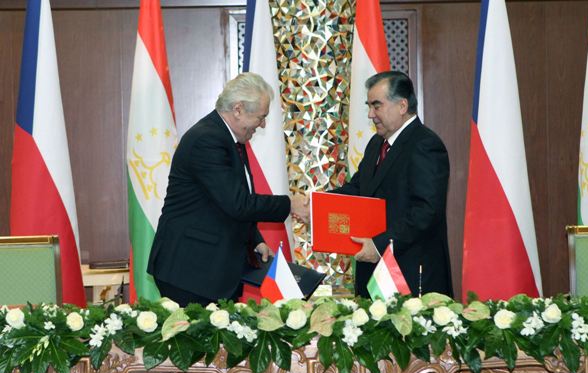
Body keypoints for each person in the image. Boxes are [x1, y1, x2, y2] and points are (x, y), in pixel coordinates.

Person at [148, 72, 309, 306]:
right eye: (261, 117)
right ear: (238, 109)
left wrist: (254, 240)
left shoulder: (227, 138)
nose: (263, 124)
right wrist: (290, 204)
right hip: (190, 271)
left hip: (208, 269)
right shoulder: (208, 140)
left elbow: (222, 203)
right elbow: (238, 203)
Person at [333, 71, 453, 298]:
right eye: (369, 106)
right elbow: (358, 189)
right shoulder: (376, 143)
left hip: (411, 276)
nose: (370, 114)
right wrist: (316, 203)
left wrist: (379, 245)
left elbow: (426, 212)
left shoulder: (426, 144)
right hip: (374, 274)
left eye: (376, 106)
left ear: (402, 106)